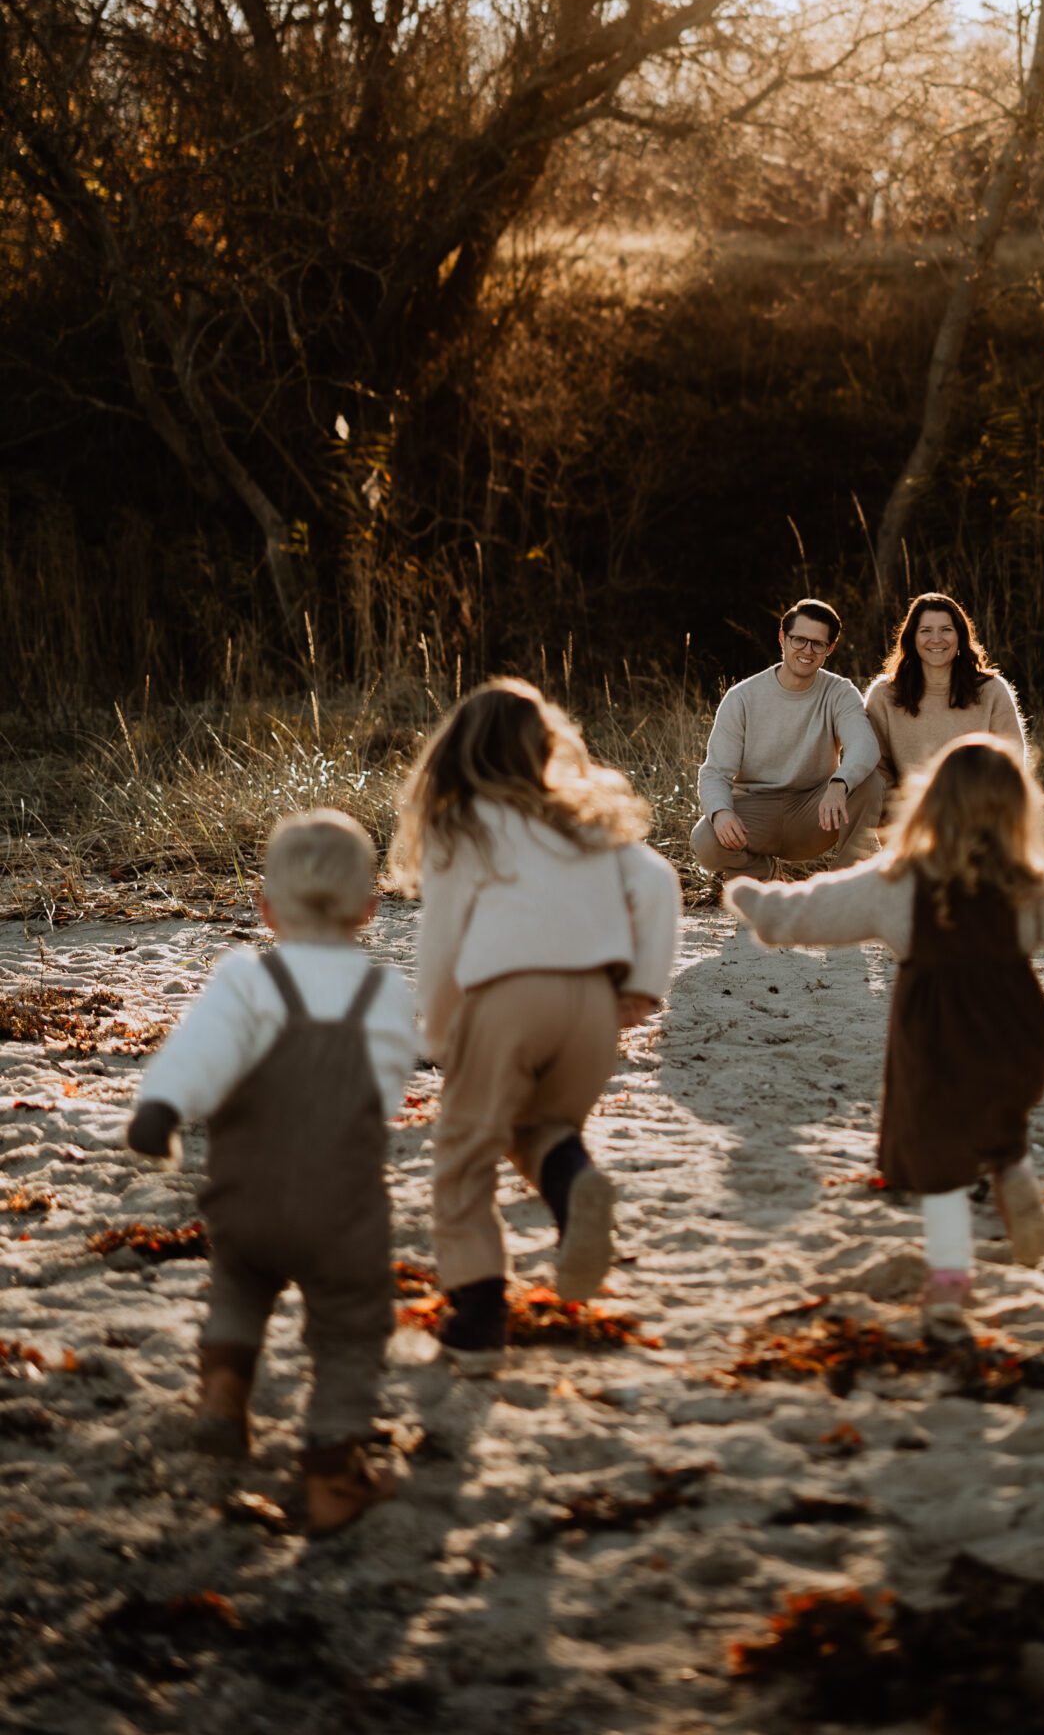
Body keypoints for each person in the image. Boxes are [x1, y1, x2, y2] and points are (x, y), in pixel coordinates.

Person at [725, 734, 1044, 1327]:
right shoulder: (1032, 886)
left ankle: (949, 1277)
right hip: (1015, 1037)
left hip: (935, 1040)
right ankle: (1012, 1168)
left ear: (933, 803)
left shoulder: (902, 880)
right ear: (1018, 811)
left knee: (938, 1159)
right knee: (997, 1119)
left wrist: (765, 908)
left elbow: (820, 908)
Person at [124, 809, 416, 1535]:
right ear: (369, 911)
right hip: (340, 1208)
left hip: (245, 1193)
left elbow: (200, 1052)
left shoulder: (245, 981)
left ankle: (224, 1390)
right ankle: (331, 1477)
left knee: (240, 1281)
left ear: (265, 908)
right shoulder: (383, 996)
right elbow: (383, 1093)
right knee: (348, 1328)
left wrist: (161, 1106)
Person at [396, 678, 681, 1368]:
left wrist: (437, 1033)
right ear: (544, 747)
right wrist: (642, 983)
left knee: (464, 1156)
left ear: (457, 750)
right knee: (539, 1128)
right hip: (590, 1006)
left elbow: (440, 944)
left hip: (506, 1001)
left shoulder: (461, 822)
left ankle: (478, 1318)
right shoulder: (583, 820)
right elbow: (657, 882)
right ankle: (573, 1183)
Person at [690, 598, 883, 879]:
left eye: (817, 644)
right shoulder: (742, 698)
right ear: (782, 638)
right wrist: (720, 813)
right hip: (755, 812)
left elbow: (864, 746)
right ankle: (761, 878)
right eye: (799, 640)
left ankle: (845, 889)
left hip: (815, 812)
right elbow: (715, 772)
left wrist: (839, 784)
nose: (807, 650)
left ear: (830, 648)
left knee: (870, 781)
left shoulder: (840, 692)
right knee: (705, 840)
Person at [864, 589, 1026, 824]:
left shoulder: (991, 690)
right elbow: (876, 769)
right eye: (926, 631)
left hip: (978, 816)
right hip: (911, 819)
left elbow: (1011, 763)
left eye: (946, 630)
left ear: (960, 636)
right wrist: (899, 815)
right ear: (912, 639)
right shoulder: (884, 694)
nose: (936, 639)